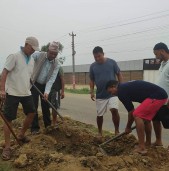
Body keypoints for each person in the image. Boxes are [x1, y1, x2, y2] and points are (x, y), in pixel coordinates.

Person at [0, 37, 39, 160]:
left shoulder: (32, 60)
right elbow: (4, 72)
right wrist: (2, 90)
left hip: (25, 92)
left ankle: (21, 135)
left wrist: (30, 80)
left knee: (32, 112)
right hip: (12, 92)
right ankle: (7, 147)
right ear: (26, 44)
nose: (33, 51)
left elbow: (27, 75)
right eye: (32, 48)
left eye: (34, 50)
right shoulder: (14, 56)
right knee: (8, 118)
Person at [106, 80, 168, 154]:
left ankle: (141, 147)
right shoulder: (124, 87)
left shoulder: (121, 91)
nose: (112, 94)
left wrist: (128, 127)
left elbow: (131, 112)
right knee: (146, 118)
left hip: (157, 96)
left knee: (137, 115)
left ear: (113, 87)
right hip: (160, 95)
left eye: (110, 92)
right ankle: (150, 143)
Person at [89, 46, 123, 138]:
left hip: (113, 93)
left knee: (114, 110)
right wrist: (91, 91)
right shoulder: (93, 66)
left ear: (103, 54)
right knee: (99, 115)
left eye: (99, 56)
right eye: (95, 57)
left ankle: (117, 131)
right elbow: (91, 80)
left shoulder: (112, 62)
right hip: (100, 94)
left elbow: (119, 74)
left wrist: (121, 86)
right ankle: (100, 132)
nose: (97, 58)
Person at [30, 41, 60, 134]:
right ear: (48, 50)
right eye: (51, 53)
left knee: (46, 105)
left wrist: (46, 92)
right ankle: (35, 128)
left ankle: (48, 126)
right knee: (33, 106)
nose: (52, 55)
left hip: (45, 85)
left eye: (55, 54)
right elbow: (28, 59)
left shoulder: (57, 64)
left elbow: (51, 79)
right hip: (34, 83)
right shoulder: (38, 55)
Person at [153, 42, 169, 146]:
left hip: (166, 100)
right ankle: (158, 141)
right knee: (155, 119)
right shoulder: (163, 64)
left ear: (162, 51)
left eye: (156, 54)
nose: (156, 57)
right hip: (158, 100)